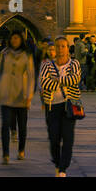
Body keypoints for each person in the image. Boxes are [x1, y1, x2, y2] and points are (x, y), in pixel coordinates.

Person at [38, 36, 82, 177]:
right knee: (54, 138)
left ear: (68, 48)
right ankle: (57, 162)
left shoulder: (74, 63)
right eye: (58, 46)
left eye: (63, 46)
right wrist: (63, 81)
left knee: (68, 138)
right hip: (53, 106)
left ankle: (63, 168)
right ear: (54, 49)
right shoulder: (46, 65)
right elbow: (44, 83)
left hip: (70, 105)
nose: (60, 49)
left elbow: (75, 79)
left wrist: (56, 80)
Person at [0, 31, 34, 163]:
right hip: (6, 93)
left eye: (17, 38)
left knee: (22, 126)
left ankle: (21, 150)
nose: (14, 40)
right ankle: (5, 154)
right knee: (5, 125)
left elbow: (31, 76)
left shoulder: (27, 55)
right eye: (12, 38)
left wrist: (29, 96)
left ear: (21, 40)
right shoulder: (4, 53)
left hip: (21, 95)